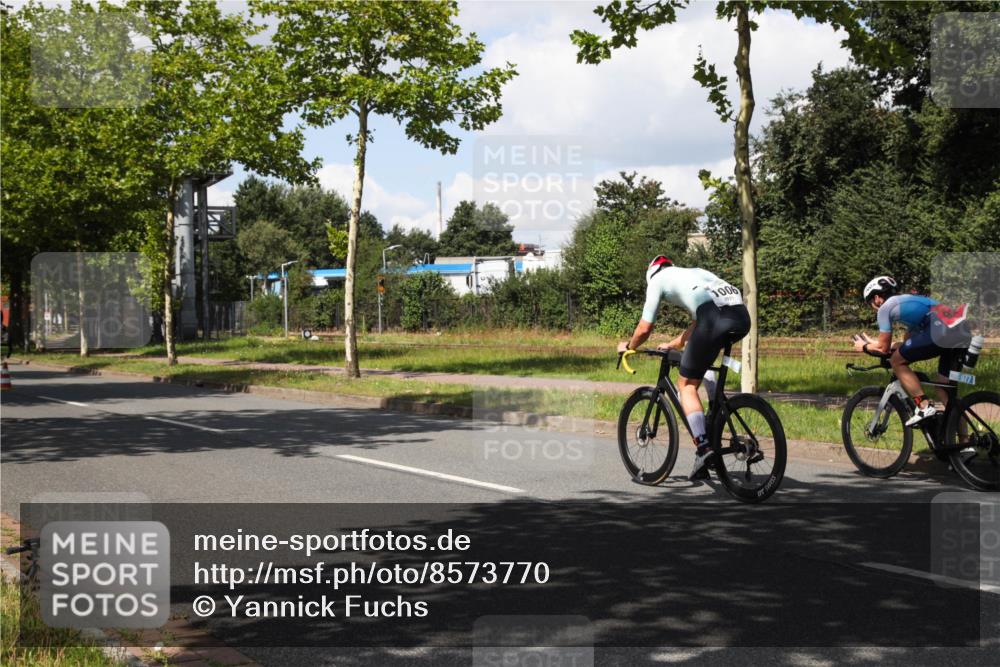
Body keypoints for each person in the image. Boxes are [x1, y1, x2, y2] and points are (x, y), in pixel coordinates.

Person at [617, 256, 751, 480]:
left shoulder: (657, 280)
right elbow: (700, 320)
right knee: (702, 366)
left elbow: (645, 327)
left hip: (713, 319)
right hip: (740, 316)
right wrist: (674, 343)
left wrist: (628, 346)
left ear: (651, 272)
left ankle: (704, 448)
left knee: (686, 385)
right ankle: (714, 415)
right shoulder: (694, 272)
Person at [852, 275, 969, 426]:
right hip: (959, 331)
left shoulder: (885, 308)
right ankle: (968, 443)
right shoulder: (909, 304)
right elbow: (907, 345)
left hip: (939, 330)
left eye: (870, 303)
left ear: (876, 298)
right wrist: (877, 343)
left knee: (897, 362)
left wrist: (864, 347)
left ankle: (924, 406)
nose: (873, 307)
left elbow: (885, 348)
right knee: (943, 390)